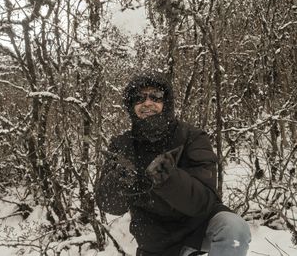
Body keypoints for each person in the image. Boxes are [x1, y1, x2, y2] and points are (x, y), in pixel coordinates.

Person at [95, 71, 251, 256]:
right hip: (155, 240)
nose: (147, 102)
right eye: (139, 98)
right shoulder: (122, 145)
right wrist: (118, 182)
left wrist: (165, 177)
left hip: (198, 226)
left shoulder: (192, 137)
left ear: (166, 102)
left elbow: (204, 202)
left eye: (156, 96)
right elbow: (109, 206)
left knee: (234, 228)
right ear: (131, 106)